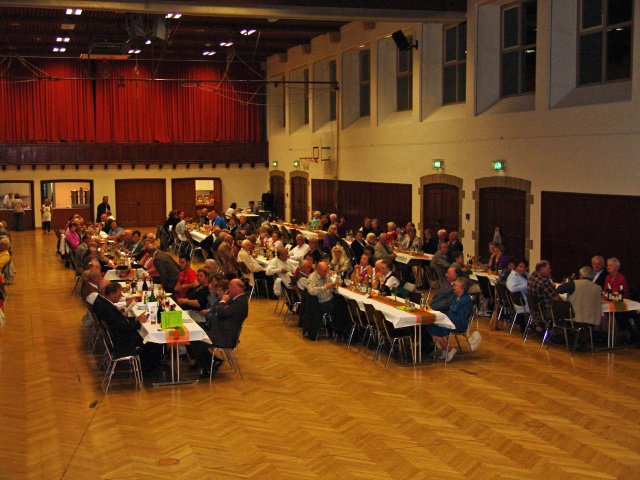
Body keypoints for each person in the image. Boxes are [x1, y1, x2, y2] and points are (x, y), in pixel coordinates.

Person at [92, 282, 161, 373]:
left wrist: (135, 319)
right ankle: (149, 368)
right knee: (150, 339)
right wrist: (138, 322)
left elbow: (119, 321)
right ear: (112, 294)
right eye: (119, 294)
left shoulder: (103, 303)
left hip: (116, 335)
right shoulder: (107, 308)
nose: (120, 296)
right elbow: (121, 326)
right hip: (122, 340)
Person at [192, 278, 249, 377]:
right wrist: (222, 306)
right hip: (221, 331)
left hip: (225, 336)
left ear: (234, 288)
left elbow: (221, 312)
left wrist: (222, 301)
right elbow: (220, 311)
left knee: (196, 339)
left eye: (229, 288)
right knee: (194, 335)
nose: (228, 290)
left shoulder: (240, 302)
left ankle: (210, 364)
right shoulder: (236, 299)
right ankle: (208, 362)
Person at [426, 277, 474, 362]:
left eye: (456, 286)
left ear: (461, 289)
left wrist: (445, 317)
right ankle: (445, 348)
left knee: (433, 329)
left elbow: (460, 318)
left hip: (458, 324)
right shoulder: (456, 297)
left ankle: (449, 349)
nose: (453, 287)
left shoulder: (465, 301)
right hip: (450, 321)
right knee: (430, 325)